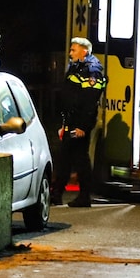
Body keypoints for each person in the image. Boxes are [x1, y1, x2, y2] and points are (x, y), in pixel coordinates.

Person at [51, 36, 106, 207]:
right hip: (71, 120)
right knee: (65, 157)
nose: (70, 53)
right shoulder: (76, 67)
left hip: (79, 123)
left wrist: (82, 126)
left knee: (79, 158)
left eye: (73, 50)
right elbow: (68, 98)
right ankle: (58, 194)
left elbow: (90, 101)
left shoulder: (92, 70)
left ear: (84, 51)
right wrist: (64, 123)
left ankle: (82, 196)